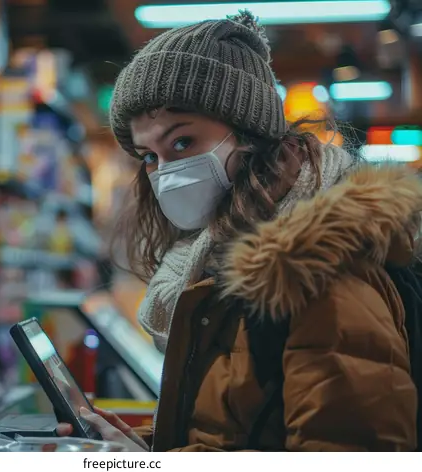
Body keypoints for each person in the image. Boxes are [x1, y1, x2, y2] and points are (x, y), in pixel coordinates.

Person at [59, 11, 421, 451]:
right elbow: (238, 432)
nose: (166, 174)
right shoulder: (214, 257)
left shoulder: (317, 268)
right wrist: (140, 452)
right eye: (149, 156)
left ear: (250, 133)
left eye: (182, 143)